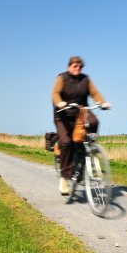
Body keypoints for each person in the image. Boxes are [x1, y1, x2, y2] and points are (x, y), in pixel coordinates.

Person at [52, 56, 111, 195]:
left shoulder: (85, 79)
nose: (77, 68)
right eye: (75, 66)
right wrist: (59, 102)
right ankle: (64, 178)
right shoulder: (62, 78)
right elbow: (55, 93)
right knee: (66, 142)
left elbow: (94, 93)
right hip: (63, 114)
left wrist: (102, 102)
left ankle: (89, 148)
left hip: (80, 112)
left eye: (80, 67)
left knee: (94, 121)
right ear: (69, 67)